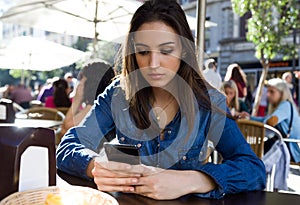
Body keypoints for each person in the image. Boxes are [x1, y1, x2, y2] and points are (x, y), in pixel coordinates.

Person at [56, 0, 265, 200]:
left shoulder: (209, 101)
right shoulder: (118, 94)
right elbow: (68, 146)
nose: (153, 63)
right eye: (143, 51)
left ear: (183, 50)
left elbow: (253, 169)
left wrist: (194, 180)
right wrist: (95, 166)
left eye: (166, 50)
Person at [241, 78, 300, 163]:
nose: (268, 94)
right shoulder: (284, 105)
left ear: (282, 93)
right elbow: (266, 119)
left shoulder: (285, 105)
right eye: (268, 91)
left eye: (272, 92)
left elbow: (271, 121)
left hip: (291, 150)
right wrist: (250, 118)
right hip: (287, 148)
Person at [59, 61, 115, 139]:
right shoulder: (109, 103)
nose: (79, 84)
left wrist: (77, 99)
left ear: (90, 83)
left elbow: (65, 130)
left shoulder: (96, 107)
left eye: (82, 79)